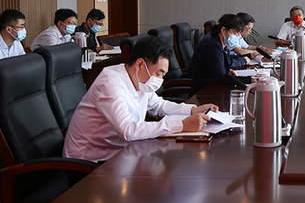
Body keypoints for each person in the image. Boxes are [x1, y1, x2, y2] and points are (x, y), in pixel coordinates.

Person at [64, 36, 214, 162]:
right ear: (140, 64)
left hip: (120, 153)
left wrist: (193, 110)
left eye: (163, 75)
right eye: (158, 74)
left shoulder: (138, 79)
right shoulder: (111, 85)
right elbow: (128, 130)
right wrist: (182, 125)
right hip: (89, 162)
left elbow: (158, 105)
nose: (160, 80)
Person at [189, 14, 249, 96]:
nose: (237, 37)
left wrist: (227, 69)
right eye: (235, 34)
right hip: (204, 92)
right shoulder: (213, 46)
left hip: (214, 87)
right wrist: (249, 80)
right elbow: (220, 76)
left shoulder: (222, 45)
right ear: (223, 30)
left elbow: (223, 62)